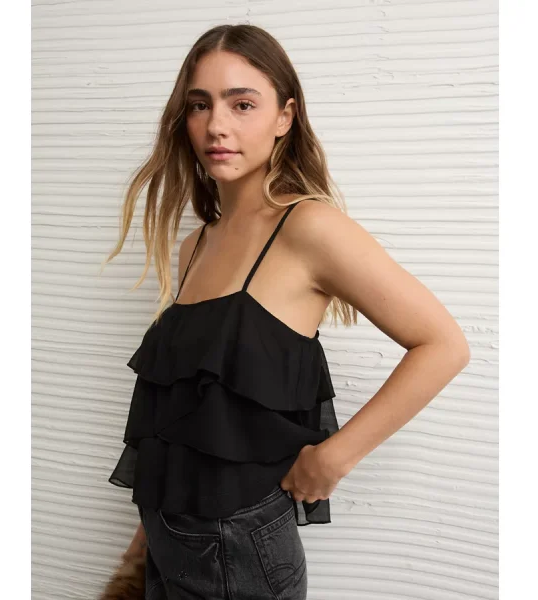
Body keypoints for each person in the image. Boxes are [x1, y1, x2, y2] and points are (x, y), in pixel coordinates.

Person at [102, 23, 470, 600]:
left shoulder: (309, 227)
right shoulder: (196, 244)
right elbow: (185, 419)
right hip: (169, 543)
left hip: (241, 550)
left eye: (242, 103)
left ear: (284, 117)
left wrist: (334, 458)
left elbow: (444, 345)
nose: (216, 125)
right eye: (199, 104)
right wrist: (141, 546)